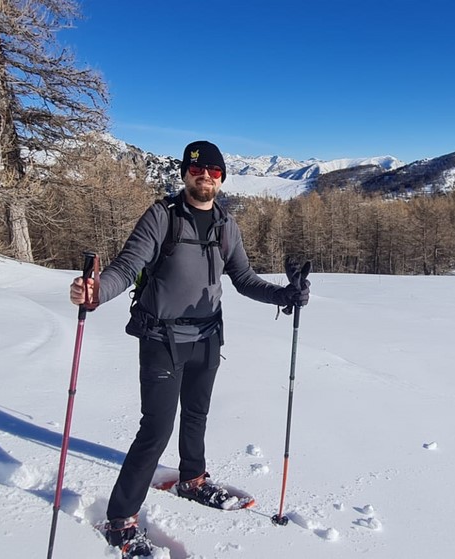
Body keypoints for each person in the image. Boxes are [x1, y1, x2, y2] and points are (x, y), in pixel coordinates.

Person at [69, 140, 309, 554]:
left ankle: (192, 479)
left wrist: (285, 295)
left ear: (222, 179)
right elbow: (127, 266)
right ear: (184, 174)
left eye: (213, 172)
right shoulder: (162, 216)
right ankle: (120, 519)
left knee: (197, 415)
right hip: (161, 339)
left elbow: (244, 278)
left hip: (207, 337)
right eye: (197, 170)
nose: (205, 177)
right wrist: (95, 292)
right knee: (155, 430)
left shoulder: (225, 224)